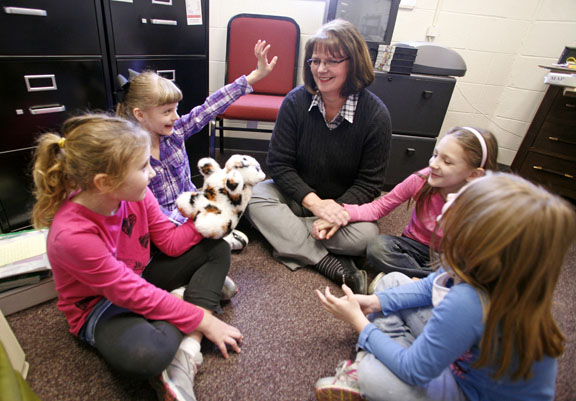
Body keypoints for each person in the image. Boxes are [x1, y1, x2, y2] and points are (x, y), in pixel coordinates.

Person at [31, 114, 243, 401]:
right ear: (105, 182)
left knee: (216, 248)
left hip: (141, 275)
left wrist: (207, 219)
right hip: (99, 306)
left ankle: (188, 341)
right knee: (148, 354)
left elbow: (169, 242)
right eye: (143, 167)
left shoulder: (138, 195)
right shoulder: (71, 236)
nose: (152, 173)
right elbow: (128, 293)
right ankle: (190, 297)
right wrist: (204, 321)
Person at [314, 172, 576, 401]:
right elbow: (429, 286)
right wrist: (373, 303)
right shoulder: (493, 268)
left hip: (468, 392)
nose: (449, 200)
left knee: (371, 376)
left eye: (461, 202)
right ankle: (384, 351)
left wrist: (360, 323)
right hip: (466, 361)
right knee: (392, 283)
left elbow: (413, 370)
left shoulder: (470, 301)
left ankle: (368, 362)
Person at [246, 19, 392, 294]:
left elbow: (369, 183)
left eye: (332, 61)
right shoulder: (294, 102)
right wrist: (315, 205)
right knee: (256, 194)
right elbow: (279, 164)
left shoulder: (376, 116)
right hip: (296, 198)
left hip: (341, 208)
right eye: (315, 61)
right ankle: (334, 267)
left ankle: (276, 233)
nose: (321, 69)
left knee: (367, 237)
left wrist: (334, 212)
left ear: (354, 63)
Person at [116, 39, 277, 252]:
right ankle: (209, 241)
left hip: (193, 206)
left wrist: (255, 76)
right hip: (162, 225)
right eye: (166, 112)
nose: (175, 116)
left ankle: (210, 238)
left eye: (175, 109)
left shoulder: (176, 132)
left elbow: (208, 108)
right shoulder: (129, 153)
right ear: (140, 114)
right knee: (204, 242)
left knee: (238, 190)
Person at [313, 127, 498, 285]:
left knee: (473, 272)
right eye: (435, 155)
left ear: (473, 174)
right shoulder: (422, 179)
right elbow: (381, 206)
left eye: (447, 161)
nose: (433, 164)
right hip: (412, 246)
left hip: (447, 256)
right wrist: (342, 214)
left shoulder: (482, 203)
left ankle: (413, 281)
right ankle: (427, 283)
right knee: (377, 247)